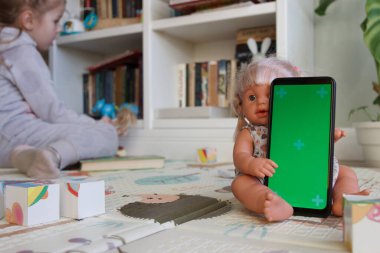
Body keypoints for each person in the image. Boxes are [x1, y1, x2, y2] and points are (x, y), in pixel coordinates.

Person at [231, 57, 369, 222]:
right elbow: (239, 156)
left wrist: (327, 138)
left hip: (303, 170)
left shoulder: (297, 126)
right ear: (241, 105)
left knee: (346, 172)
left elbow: (312, 145)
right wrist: (251, 164)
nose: (261, 102)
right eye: (252, 97)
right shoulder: (249, 132)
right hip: (264, 177)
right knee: (240, 184)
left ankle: (344, 199)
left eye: (270, 95)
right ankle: (269, 201)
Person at [0, 0, 120, 179]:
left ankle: (23, 156)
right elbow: (53, 113)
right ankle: (52, 155)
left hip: (6, 145)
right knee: (107, 135)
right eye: (55, 21)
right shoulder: (21, 50)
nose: (58, 29)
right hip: (16, 136)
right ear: (28, 20)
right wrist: (96, 124)